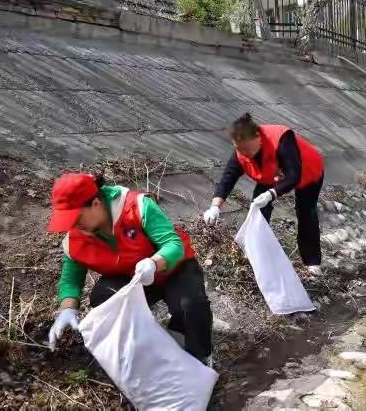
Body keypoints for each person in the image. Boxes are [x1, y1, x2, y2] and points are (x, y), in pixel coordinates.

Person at [46, 173, 213, 364]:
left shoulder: (136, 207)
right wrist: (67, 309)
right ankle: (143, 343)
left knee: (190, 307)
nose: (74, 226)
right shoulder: (76, 239)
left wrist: (154, 263)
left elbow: (173, 244)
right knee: (103, 297)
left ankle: (197, 354)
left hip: (174, 268)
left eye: (77, 218)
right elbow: (71, 280)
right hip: (134, 278)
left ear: (95, 204)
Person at [203, 113, 325, 274]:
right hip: (270, 172)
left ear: (257, 137)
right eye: (239, 149)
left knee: (305, 211)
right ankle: (256, 249)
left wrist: (272, 194)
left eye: (246, 148)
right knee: (258, 208)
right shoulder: (242, 151)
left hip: (307, 170)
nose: (243, 153)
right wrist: (215, 207)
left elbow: (294, 175)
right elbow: (228, 177)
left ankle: (312, 262)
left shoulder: (282, 140)